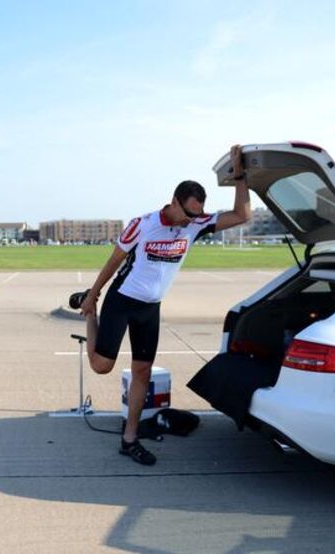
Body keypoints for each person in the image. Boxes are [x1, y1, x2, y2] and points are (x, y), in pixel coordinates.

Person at [69, 144, 252, 466]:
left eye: (197, 214)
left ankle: (130, 439)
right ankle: (90, 315)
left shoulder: (195, 224)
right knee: (102, 366)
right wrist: (94, 295)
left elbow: (242, 215)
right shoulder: (143, 224)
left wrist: (239, 176)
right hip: (122, 300)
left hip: (150, 307)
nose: (193, 220)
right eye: (189, 213)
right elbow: (113, 262)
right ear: (174, 202)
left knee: (143, 371)